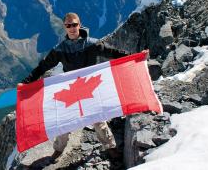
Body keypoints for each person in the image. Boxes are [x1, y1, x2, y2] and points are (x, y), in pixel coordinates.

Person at [19, 12, 129, 159]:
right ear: (64, 27)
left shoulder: (92, 44)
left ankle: (110, 146)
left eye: (74, 24)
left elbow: (112, 52)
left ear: (80, 25)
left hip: (90, 87)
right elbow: (43, 66)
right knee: (65, 121)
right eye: (68, 25)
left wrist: (134, 57)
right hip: (72, 89)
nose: (72, 28)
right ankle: (59, 149)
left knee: (98, 119)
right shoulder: (60, 49)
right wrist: (27, 82)